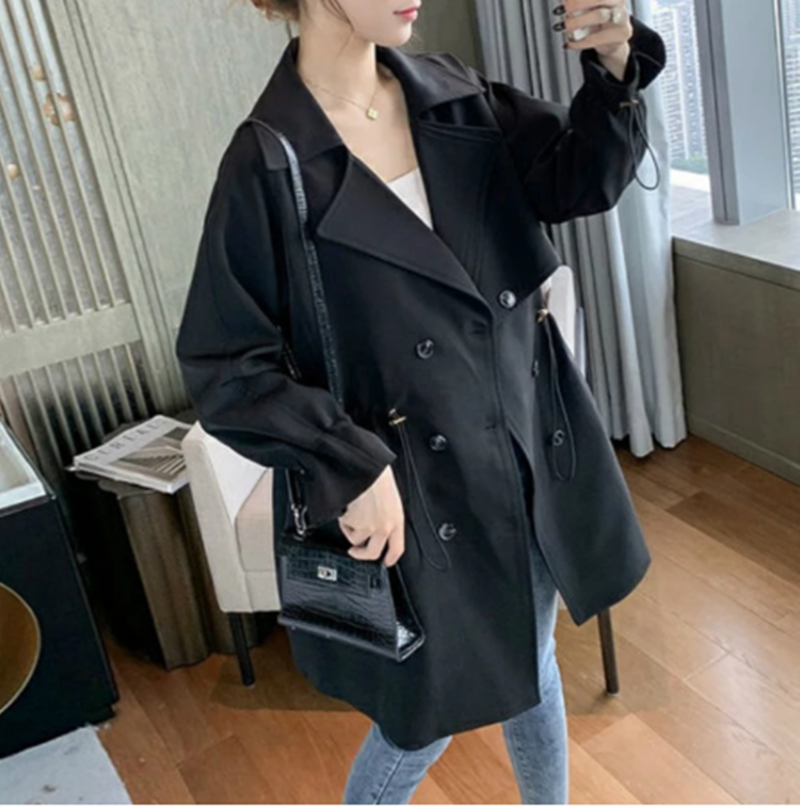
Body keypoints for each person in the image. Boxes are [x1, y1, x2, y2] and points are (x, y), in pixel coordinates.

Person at [175, 1, 666, 802]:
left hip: (521, 447)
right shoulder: (270, 160)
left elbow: (578, 176)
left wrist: (614, 68)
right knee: (423, 719)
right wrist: (349, 462)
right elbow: (226, 364)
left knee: (532, 659)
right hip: (415, 494)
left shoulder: (456, 97)